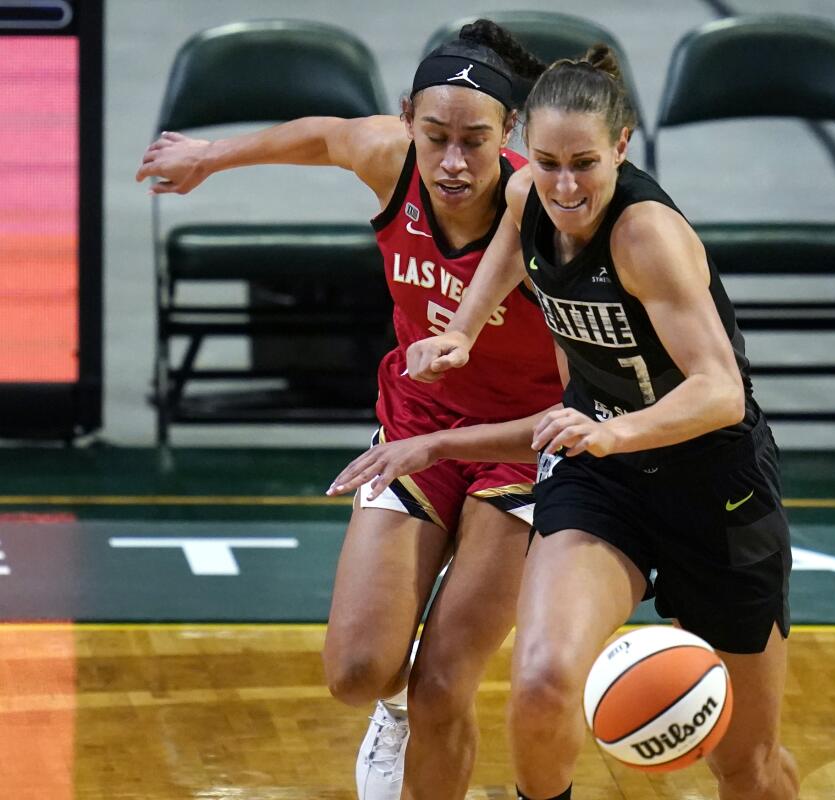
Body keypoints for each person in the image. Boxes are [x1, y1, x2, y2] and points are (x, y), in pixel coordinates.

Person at [136, 22, 565, 800]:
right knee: (358, 672)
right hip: (415, 429)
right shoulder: (389, 159)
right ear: (408, 120)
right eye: (435, 136)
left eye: (476, 140)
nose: (453, 162)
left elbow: (587, 390)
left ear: (511, 135)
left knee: (444, 683)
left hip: (521, 446)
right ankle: (392, 710)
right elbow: (324, 136)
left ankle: (425, 715)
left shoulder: (539, 211)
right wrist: (207, 156)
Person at [407, 47, 800, 800]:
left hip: (712, 482)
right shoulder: (526, 191)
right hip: (602, 478)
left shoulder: (644, 236)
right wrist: (462, 330)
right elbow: (510, 252)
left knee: (746, 765)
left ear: (622, 146)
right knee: (544, 681)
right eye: (547, 161)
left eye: (583, 163)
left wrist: (621, 428)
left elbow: (721, 393)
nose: (563, 186)